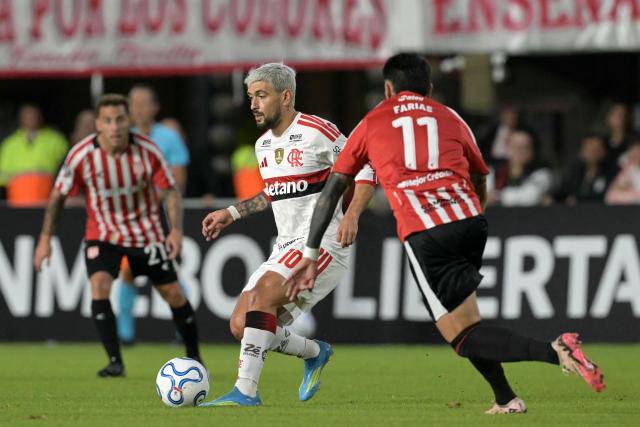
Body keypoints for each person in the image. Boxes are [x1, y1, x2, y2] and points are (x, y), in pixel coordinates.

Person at [285, 53, 605, 414]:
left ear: (388, 88)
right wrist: (473, 215)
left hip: (426, 232)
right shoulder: (450, 116)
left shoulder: (373, 120)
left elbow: (333, 189)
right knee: (467, 320)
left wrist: (310, 255)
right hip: (470, 223)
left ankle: (556, 349)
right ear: (430, 89)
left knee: (463, 335)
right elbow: (480, 174)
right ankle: (505, 398)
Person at [200, 63, 376, 406]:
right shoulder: (263, 145)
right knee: (241, 325)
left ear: (285, 96)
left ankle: (245, 392)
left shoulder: (316, 131)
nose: (253, 104)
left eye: (261, 95)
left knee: (263, 296)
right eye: (251, 96)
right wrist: (231, 213)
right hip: (286, 245)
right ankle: (315, 352)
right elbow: (274, 192)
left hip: (323, 242)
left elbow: (366, 166)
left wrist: (352, 214)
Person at [33, 94, 202, 377]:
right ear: (98, 123)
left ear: (129, 121)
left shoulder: (149, 151)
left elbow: (171, 191)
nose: (115, 127)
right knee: (99, 286)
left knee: (173, 293)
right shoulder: (81, 155)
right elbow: (58, 196)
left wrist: (175, 230)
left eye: (120, 119)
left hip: (146, 233)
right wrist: (44, 239)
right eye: (108, 120)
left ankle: (195, 357)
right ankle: (115, 362)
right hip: (103, 234)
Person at [116, 85, 191, 345]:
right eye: (132, 103)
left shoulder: (169, 137)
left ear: (155, 107)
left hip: (160, 215)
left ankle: (184, 326)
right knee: (127, 271)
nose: (137, 108)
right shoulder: (125, 137)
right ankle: (124, 334)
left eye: (142, 103)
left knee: (168, 272)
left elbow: (178, 181)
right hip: (131, 218)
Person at [0, 103, 68, 206]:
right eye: (27, 116)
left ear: (40, 117)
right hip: (16, 201)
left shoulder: (57, 140)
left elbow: (68, 171)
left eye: (34, 115)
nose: (31, 119)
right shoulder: (9, 144)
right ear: (20, 119)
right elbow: (3, 176)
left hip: (47, 200)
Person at [487, 129, 552, 206]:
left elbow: (531, 197)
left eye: (525, 147)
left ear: (532, 151)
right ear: (507, 148)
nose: (520, 151)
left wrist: (497, 197)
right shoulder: (494, 171)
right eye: (515, 146)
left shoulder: (542, 173)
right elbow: (482, 195)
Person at [551, 134, 610, 204]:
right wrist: (552, 198)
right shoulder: (576, 171)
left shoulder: (609, 173)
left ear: (603, 152)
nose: (591, 153)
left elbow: (605, 197)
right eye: (588, 149)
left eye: (595, 149)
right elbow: (562, 192)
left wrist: (578, 200)